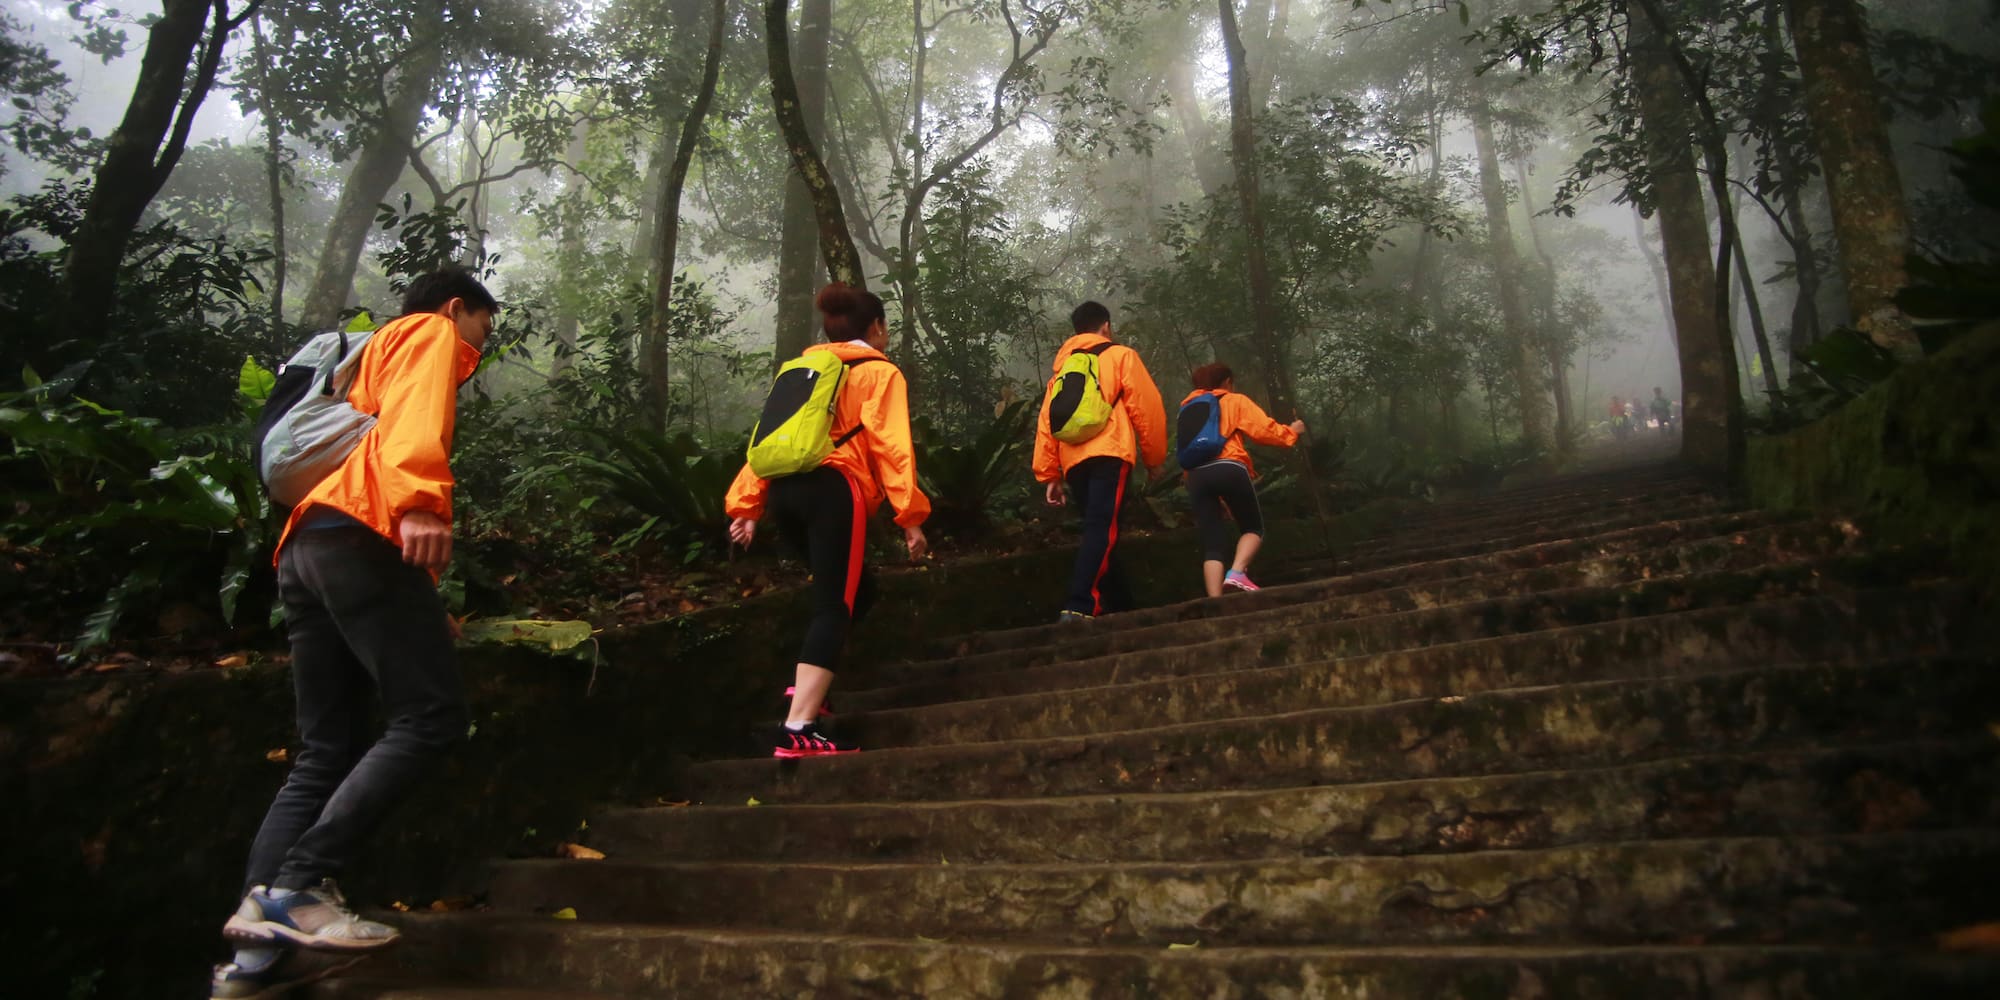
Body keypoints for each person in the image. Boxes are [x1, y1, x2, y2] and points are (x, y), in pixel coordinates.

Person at [212, 269, 498, 998]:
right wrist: (421, 504)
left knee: (324, 748)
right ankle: (300, 886)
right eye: (483, 329)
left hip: (305, 545)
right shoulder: (425, 331)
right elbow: (410, 426)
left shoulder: (361, 362)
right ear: (457, 307)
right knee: (430, 718)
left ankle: (256, 952)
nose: (479, 347)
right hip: (364, 531)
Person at [726, 283, 929, 758]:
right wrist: (910, 517)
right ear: (876, 328)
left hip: (785, 492)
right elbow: (891, 446)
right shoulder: (879, 373)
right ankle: (798, 728)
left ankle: (805, 688)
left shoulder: (801, 370)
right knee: (835, 604)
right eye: (885, 326)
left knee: (859, 590)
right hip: (835, 490)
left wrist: (747, 505)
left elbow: (769, 438)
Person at [1033, 301, 1167, 623]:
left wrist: (1050, 473)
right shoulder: (1121, 356)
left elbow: (1046, 422)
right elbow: (1146, 409)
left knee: (1101, 529)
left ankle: (1121, 605)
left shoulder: (1062, 371)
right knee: (1101, 529)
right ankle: (1079, 604)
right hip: (1110, 453)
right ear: (1105, 325)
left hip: (1074, 461)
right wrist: (1154, 458)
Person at [1179, 364, 1304, 596]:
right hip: (1229, 467)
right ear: (1227, 382)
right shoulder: (1234, 400)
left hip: (1195, 476)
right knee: (1252, 528)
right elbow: (1264, 431)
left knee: (1212, 543)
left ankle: (1216, 601)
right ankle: (1236, 572)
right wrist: (1292, 431)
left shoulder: (1186, 409)